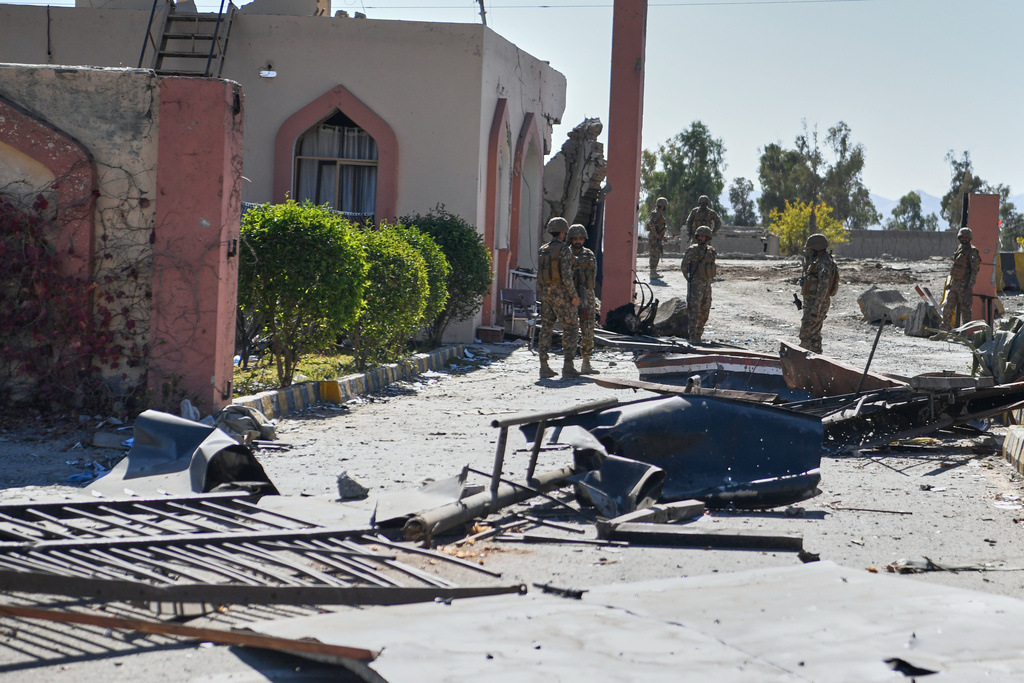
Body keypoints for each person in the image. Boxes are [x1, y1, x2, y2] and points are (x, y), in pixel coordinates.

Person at [536, 217, 581, 379]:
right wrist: (574, 296)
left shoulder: (543, 249)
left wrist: (541, 293)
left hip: (546, 294)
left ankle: (544, 366)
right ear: (563, 232)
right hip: (561, 294)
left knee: (546, 328)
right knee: (570, 328)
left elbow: (539, 275)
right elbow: (567, 276)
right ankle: (568, 366)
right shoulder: (564, 250)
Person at [568, 223, 600, 375]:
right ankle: (569, 364)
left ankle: (586, 363)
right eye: (575, 238)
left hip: (587, 295)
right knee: (571, 330)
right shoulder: (566, 254)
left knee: (588, 329)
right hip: (571, 296)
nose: (578, 241)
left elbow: (593, 276)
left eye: (580, 238)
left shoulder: (590, 255)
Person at [799, 233, 838, 353]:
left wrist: (816, 308)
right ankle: (816, 361)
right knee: (815, 336)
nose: (809, 251)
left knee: (806, 334)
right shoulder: (820, 261)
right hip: (816, 303)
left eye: (811, 249)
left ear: (816, 248)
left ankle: (800, 362)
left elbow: (823, 288)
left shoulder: (823, 263)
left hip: (817, 305)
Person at [681, 225, 717, 344]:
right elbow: (684, 267)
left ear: (708, 237)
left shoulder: (711, 251)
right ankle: (692, 336)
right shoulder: (692, 250)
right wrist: (691, 280)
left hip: (707, 286)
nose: (701, 238)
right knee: (694, 311)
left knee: (705, 311)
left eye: (703, 236)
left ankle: (699, 334)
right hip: (695, 287)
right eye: (699, 236)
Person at [942, 227, 981, 330]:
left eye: (966, 237)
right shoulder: (959, 249)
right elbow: (954, 267)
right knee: (948, 308)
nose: (964, 239)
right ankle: (945, 330)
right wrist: (950, 282)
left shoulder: (972, 252)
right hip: (954, 285)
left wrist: (970, 287)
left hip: (965, 287)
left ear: (969, 238)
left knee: (966, 312)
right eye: (962, 237)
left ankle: (964, 334)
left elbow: (974, 271)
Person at [646, 197, 669, 279]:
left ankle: (654, 272)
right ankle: (652, 273)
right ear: (663, 205)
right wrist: (655, 234)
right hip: (654, 238)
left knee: (657, 254)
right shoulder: (657, 213)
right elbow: (650, 223)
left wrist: (662, 236)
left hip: (657, 237)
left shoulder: (658, 213)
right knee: (654, 254)